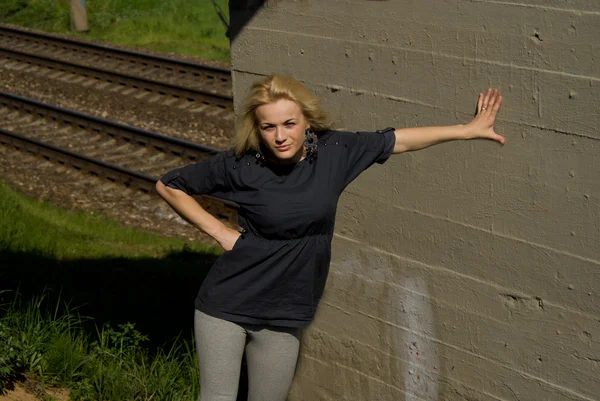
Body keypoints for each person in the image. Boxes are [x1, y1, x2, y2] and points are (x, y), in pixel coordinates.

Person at [155, 74, 504, 401]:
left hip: (285, 311)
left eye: (289, 124)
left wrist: (466, 130)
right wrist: (221, 233)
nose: (280, 136)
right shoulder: (243, 166)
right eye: (269, 127)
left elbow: (398, 140)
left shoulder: (335, 153)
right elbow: (169, 184)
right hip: (226, 306)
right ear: (258, 129)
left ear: (307, 121)